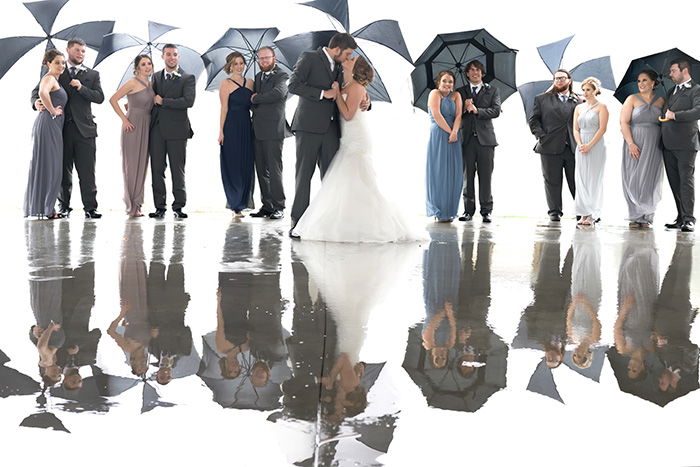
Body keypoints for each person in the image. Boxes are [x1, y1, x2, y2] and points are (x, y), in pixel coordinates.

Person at [291, 57, 421, 242]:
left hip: (354, 137)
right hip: (341, 135)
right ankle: (341, 220)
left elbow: (349, 113)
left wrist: (338, 95)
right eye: (349, 54)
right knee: (345, 182)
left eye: (352, 58)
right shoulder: (341, 78)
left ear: (356, 67)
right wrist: (338, 93)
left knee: (358, 180)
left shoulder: (356, 86)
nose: (348, 58)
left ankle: (366, 223)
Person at [288, 32, 361, 238]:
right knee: (304, 176)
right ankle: (298, 222)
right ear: (337, 49)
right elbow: (293, 85)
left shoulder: (340, 66)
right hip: (308, 126)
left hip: (331, 129)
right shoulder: (309, 57)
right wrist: (322, 94)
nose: (348, 58)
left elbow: (349, 90)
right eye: (347, 54)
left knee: (330, 178)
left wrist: (366, 101)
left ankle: (327, 222)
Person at [32, 38, 104, 219]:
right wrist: (36, 103)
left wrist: (81, 88)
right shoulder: (56, 71)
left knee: (87, 172)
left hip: (85, 130)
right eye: (77, 50)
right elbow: (36, 91)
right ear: (68, 51)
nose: (81, 54)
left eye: (83, 51)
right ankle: (64, 207)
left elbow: (100, 97)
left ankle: (90, 208)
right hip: (60, 130)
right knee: (63, 172)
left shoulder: (93, 74)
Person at [149, 44, 196, 219]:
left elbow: (188, 101)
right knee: (157, 169)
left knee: (178, 170)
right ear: (162, 56)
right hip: (157, 130)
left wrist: (164, 101)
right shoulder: (155, 77)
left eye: (175, 55)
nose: (172, 57)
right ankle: (159, 206)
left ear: (178, 57)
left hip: (178, 130)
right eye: (168, 54)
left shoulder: (187, 78)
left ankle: (179, 206)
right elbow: (150, 99)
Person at [528, 69, 580, 221]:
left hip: (572, 145)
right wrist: (540, 135)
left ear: (569, 80)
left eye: (562, 78)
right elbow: (533, 120)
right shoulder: (541, 99)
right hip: (549, 145)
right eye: (556, 79)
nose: (559, 81)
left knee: (576, 180)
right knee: (552, 181)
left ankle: (581, 211)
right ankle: (554, 211)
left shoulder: (578, 100)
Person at [108, 54, 155, 217]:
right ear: (137, 68)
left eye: (149, 63)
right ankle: (131, 205)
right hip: (133, 126)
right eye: (143, 64)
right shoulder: (132, 82)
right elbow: (113, 100)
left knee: (142, 165)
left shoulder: (151, 84)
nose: (147, 67)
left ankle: (138, 203)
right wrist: (124, 119)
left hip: (147, 125)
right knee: (131, 165)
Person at [456, 60, 501, 223]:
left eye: (478, 70)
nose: (475, 73)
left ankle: (486, 211)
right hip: (466, 139)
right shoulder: (460, 91)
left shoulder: (493, 90)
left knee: (485, 176)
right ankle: (468, 211)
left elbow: (496, 111)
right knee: (467, 177)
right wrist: (463, 108)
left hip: (486, 141)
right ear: (467, 73)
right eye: (471, 70)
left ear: (482, 73)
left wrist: (477, 110)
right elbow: (454, 113)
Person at [24, 49, 66, 219]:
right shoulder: (48, 78)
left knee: (48, 166)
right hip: (49, 123)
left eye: (63, 62)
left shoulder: (55, 79)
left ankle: (45, 207)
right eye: (57, 62)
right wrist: (53, 111)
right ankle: (48, 209)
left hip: (52, 125)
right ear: (48, 63)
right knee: (52, 167)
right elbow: (41, 93)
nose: (61, 66)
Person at [619, 70, 665, 228]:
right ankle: (634, 215)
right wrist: (631, 143)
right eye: (639, 81)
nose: (641, 84)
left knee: (650, 178)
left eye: (645, 80)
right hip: (635, 141)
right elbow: (624, 122)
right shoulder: (631, 99)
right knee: (633, 177)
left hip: (654, 143)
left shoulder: (661, 101)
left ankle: (647, 216)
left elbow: (665, 122)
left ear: (653, 82)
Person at [250, 47, 291, 220]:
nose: (264, 61)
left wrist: (256, 98)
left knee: (275, 170)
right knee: (261, 170)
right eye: (261, 59)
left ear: (274, 58)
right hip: (257, 129)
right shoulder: (258, 77)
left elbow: (278, 94)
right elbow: (254, 103)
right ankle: (267, 206)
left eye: (267, 58)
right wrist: (254, 102)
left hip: (274, 130)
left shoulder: (281, 76)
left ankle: (279, 206)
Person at [661, 58, 700, 232]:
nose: (670, 74)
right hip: (667, 143)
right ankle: (680, 217)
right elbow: (666, 112)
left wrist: (675, 115)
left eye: (673, 71)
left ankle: (689, 219)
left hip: (686, 143)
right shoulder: (670, 91)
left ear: (684, 71)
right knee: (674, 182)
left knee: (686, 181)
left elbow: (697, 112)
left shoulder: (696, 90)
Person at [218, 52, 255, 217]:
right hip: (231, 126)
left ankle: (244, 201)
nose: (239, 66)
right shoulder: (225, 83)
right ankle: (234, 205)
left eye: (241, 63)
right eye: (236, 64)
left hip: (247, 126)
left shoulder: (251, 83)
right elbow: (224, 108)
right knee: (232, 164)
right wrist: (221, 130)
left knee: (246, 164)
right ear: (230, 66)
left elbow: (254, 106)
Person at [426, 70, 463, 222]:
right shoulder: (434, 94)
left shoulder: (457, 96)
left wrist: (455, 132)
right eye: (444, 81)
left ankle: (450, 210)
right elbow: (436, 115)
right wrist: (450, 132)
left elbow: (459, 115)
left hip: (454, 136)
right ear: (438, 82)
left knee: (454, 173)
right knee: (439, 171)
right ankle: (438, 210)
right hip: (439, 134)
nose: (447, 84)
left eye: (450, 82)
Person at [573, 77, 608, 226]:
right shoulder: (578, 108)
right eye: (584, 90)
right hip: (581, 145)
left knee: (594, 178)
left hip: (596, 145)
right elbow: (575, 128)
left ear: (595, 91)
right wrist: (580, 144)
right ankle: (583, 212)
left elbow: (602, 129)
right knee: (581, 179)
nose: (585, 93)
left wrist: (590, 145)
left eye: (588, 90)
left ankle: (593, 213)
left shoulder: (602, 107)